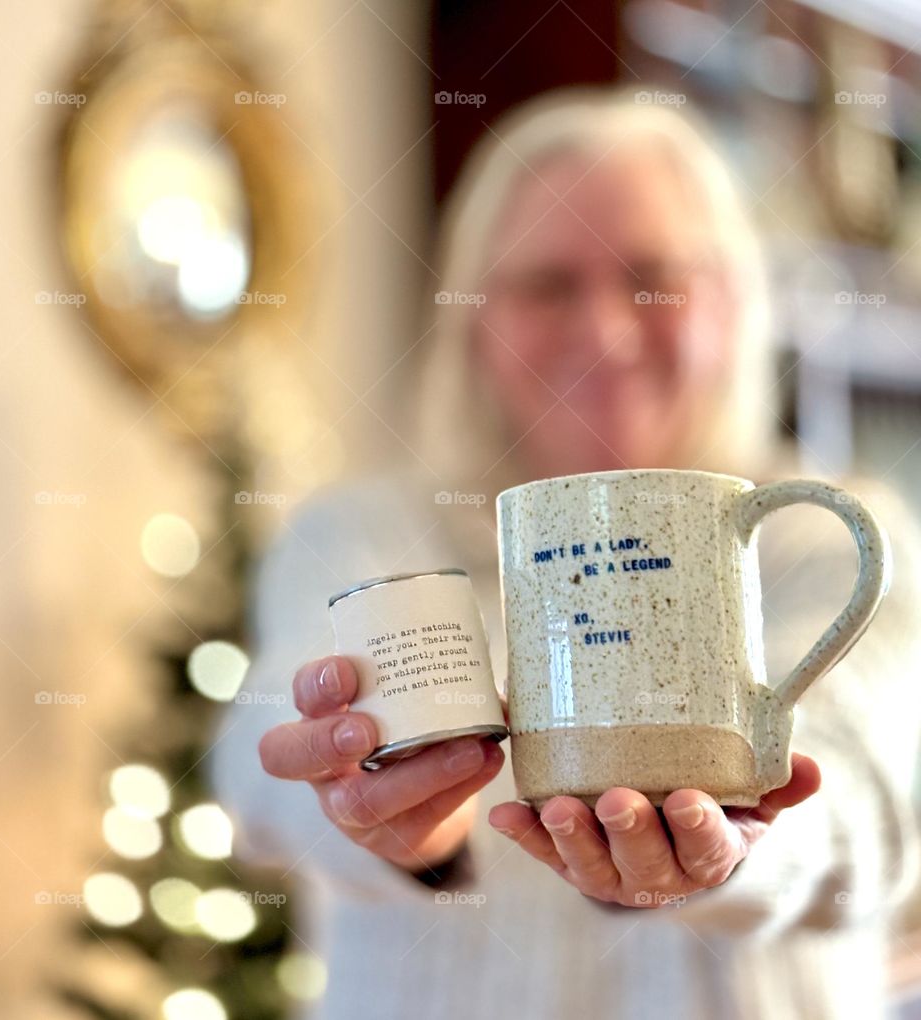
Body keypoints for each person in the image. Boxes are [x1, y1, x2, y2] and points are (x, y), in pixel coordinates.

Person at [209, 87, 921, 1019]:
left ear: (732, 304)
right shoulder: (364, 534)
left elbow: (872, 797)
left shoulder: (822, 534)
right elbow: (254, 766)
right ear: (474, 319)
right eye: (549, 284)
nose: (607, 334)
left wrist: (740, 846)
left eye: (653, 278)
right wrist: (364, 807)